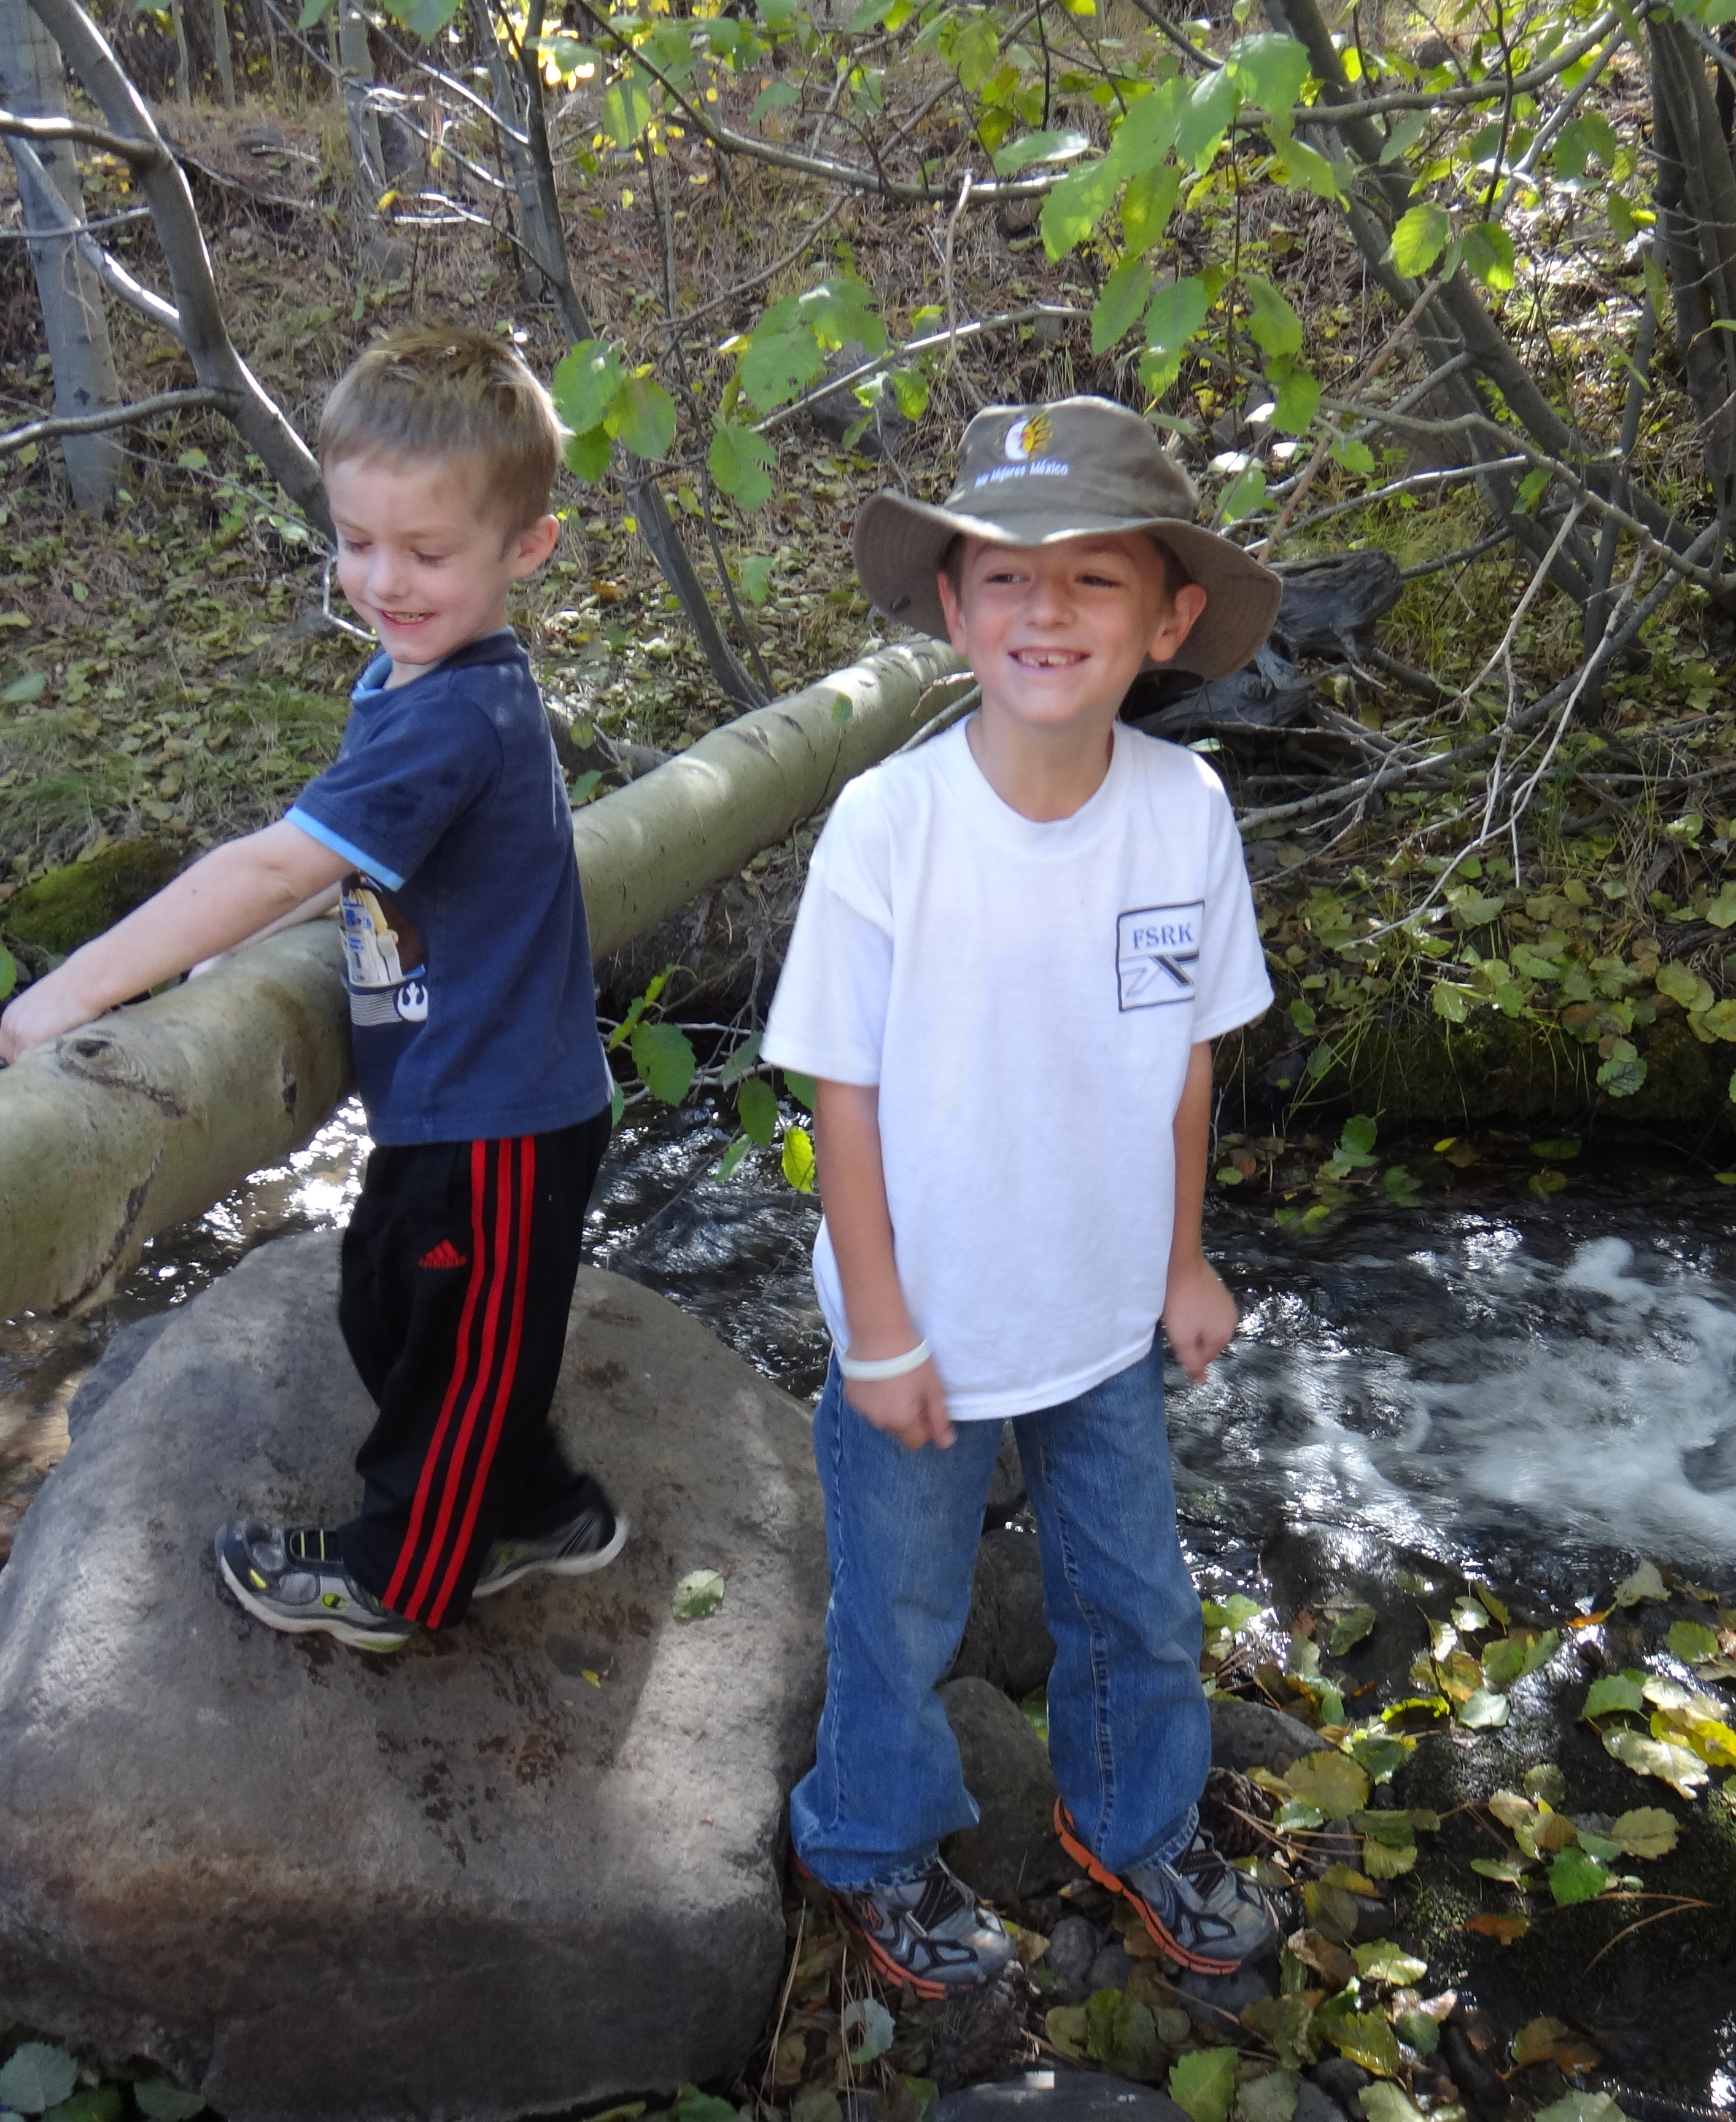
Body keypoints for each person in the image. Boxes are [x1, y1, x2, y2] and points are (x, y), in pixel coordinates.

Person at [760, 397, 1287, 1995]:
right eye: (1006, 576)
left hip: (1107, 1312)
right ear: (952, 605)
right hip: (923, 1326)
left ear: (1169, 620)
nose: (1044, 611)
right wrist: (882, 1332)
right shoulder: (893, 827)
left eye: (1093, 579)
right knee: (901, 1617)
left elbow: (1186, 1061)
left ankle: (1133, 1820)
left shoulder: (1183, 814)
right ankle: (870, 1841)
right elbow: (840, 1096)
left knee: (1139, 1598)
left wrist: (1185, 1262)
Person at [0, 324, 626, 1653]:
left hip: (500, 1114)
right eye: (356, 541)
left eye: (427, 553)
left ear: (527, 549)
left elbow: (281, 856)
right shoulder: (416, 679)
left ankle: (404, 1576)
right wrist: (257, 942)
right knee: (390, 1302)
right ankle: (542, 1509)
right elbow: (351, 857)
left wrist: (79, 988)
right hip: (446, 1100)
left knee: (456, 1363)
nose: (383, 580)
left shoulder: (456, 714)